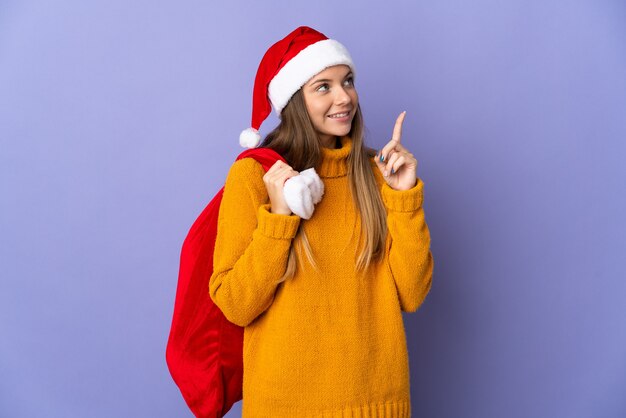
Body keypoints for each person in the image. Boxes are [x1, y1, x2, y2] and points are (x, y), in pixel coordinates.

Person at [209, 26, 434, 418]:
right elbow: (236, 305)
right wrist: (279, 221)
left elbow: (412, 295)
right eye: (323, 87)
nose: (344, 97)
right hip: (285, 407)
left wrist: (404, 199)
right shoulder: (256, 177)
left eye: (347, 81)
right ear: (295, 100)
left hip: (377, 404)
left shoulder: (376, 174)